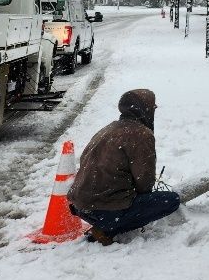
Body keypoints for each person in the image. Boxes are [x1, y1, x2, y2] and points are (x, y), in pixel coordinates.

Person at [68, 88, 180, 245]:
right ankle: (107, 229)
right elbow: (145, 182)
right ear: (145, 109)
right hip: (104, 209)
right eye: (153, 107)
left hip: (80, 205)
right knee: (171, 200)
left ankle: (105, 222)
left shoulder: (108, 128)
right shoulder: (140, 134)